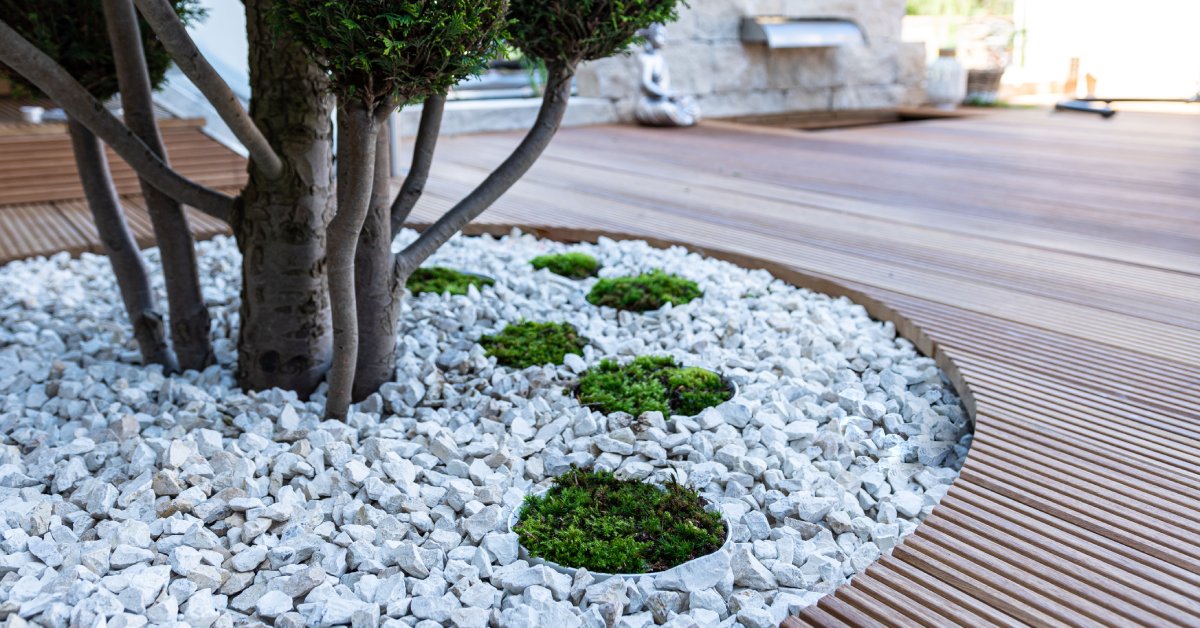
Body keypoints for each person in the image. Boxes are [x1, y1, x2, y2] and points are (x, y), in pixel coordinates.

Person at [634, 24, 700, 127]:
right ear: (651, 37)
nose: (664, 38)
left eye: (665, 35)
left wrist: (672, 94)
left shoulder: (660, 58)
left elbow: (664, 84)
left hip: (664, 98)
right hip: (650, 102)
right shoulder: (645, 58)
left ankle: (682, 117)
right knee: (666, 110)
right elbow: (645, 84)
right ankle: (678, 117)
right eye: (660, 35)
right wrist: (665, 93)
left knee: (691, 106)